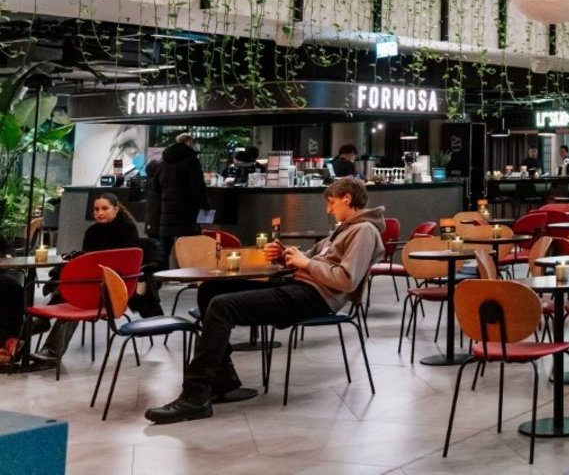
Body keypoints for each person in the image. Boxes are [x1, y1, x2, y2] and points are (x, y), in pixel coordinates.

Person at [144, 177, 385, 424]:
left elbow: (346, 280)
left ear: (347, 198)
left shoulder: (364, 231)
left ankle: (194, 397)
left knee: (222, 306)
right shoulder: (343, 230)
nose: (328, 209)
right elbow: (310, 259)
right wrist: (284, 256)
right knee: (210, 290)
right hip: (298, 287)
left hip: (316, 297)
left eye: (331, 202)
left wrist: (305, 263)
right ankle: (224, 381)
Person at [28, 192, 164, 366]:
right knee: (75, 289)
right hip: (93, 284)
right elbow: (88, 262)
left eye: (105, 208)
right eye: (96, 209)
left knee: (77, 299)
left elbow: (123, 266)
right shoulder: (92, 232)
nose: (99, 213)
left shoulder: (127, 230)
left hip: (114, 288)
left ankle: (50, 346)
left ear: (116, 209)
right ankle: (18, 348)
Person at [149, 133, 209, 267]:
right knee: (191, 249)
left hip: (166, 216)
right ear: (189, 144)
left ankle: (162, 276)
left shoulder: (163, 163)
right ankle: (190, 275)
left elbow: (155, 190)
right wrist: (206, 207)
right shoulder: (192, 162)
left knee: (164, 252)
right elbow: (198, 188)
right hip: (187, 215)